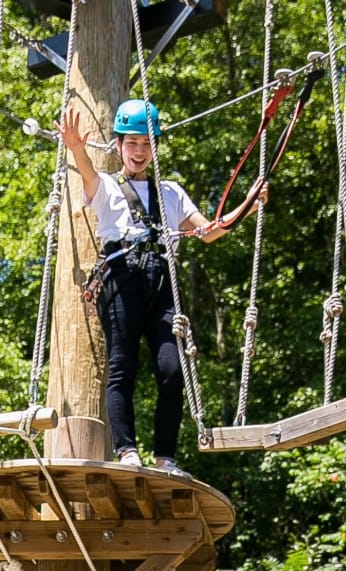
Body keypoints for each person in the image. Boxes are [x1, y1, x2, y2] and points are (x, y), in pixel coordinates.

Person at [57, 99, 266, 478]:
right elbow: (86, 173)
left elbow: (208, 231)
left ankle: (165, 457)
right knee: (123, 365)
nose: (139, 152)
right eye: (132, 143)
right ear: (118, 146)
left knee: (172, 368)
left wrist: (248, 206)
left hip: (162, 278)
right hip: (123, 277)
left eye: (146, 144)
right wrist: (76, 148)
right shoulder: (106, 187)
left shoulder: (170, 192)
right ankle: (126, 450)